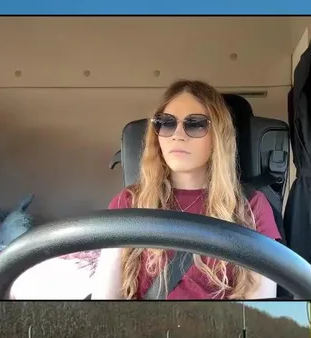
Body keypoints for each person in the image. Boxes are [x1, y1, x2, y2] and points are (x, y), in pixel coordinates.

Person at [91, 80, 281, 300]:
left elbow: (260, 305)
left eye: (195, 124)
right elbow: (106, 301)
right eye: (167, 123)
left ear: (218, 136)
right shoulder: (128, 203)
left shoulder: (251, 206)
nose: (177, 135)